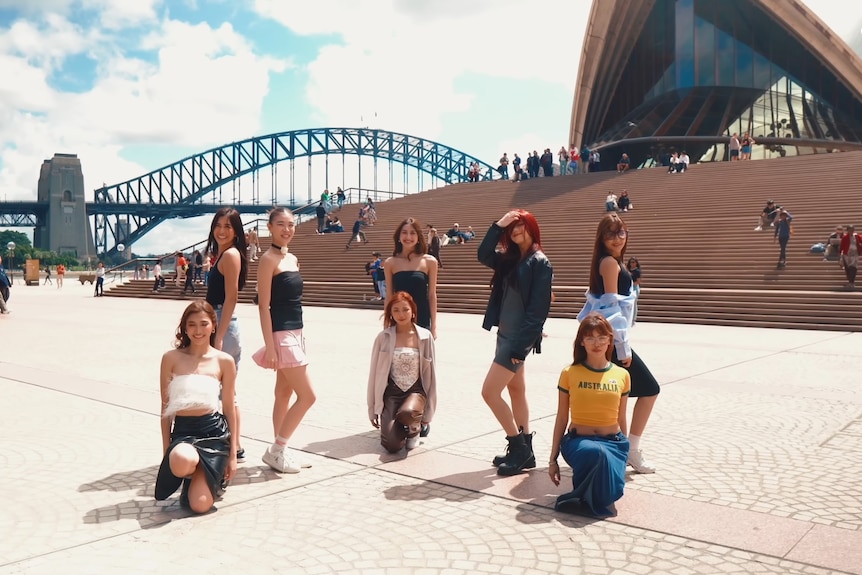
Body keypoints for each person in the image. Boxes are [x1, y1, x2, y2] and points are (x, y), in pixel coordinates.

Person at [578, 213, 659, 474]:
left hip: (607, 342)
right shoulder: (610, 264)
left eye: (621, 232)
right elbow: (610, 311)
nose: (617, 238)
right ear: (601, 238)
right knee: (648, 389)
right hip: (612, 344)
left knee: (617, 398)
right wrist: (623, 349)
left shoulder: (608, 262)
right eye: (611, 233)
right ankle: (629, 451)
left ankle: (623, 451)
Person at [477, 209, 553, 476]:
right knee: (516, 391)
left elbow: (537, 311)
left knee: (489, 392)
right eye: (513, 227)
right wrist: (499, 225)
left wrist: (521, 349)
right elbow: (483, 254)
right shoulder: (509, 260)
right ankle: (527, 451)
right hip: (504, 335)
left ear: (532, 227)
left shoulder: (540, 262)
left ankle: (518, 447)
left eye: (521, 225)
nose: (516, 230)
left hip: (516, 341)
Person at [155, 300, 238, 513]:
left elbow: (229, 408)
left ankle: (203, 479)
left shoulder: (224, 360)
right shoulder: (171, 358)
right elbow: (165, 410)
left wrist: (233, 455)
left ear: (213, 324)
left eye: (203, 324)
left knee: (200, 505)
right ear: (184, 327)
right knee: (181, 460)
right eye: (191, 325)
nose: (198, 330)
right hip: (184, 432)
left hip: (214, 433)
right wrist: (167, 452)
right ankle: (192, 472)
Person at [253, 207, 316, 474]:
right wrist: (270, 345)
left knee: (284, 393)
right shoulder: (268, 259)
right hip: (281, 333)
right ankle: (277, 449)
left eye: (291, 224)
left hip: (296, 332)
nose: (287, 229)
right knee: (308, 396)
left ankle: (282, 451)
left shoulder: (292, 258)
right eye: (281, 224)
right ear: (269, 227)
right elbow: (263, 306)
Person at [548, 313, 630, 518]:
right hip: (579, 442)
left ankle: (585, 498)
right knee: (595, 453)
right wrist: (553, 459)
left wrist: (625, 452)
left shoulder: (622, 375)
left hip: (614, 443)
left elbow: (622, 416)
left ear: (610, 340)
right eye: (590, 337)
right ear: (581, 342)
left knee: (612, 490)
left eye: (602, 337)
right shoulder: (570, 373)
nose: (597, 343)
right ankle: (582, 497)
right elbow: (561, 417)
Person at [367, 291, 437, 453]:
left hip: (416, 391)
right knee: (391, 446)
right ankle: (396, 428)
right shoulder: (383, 338)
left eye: (405, 309)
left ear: (413, 311)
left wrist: (428, 413)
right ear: (390, 313)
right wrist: (373, 409)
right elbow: (374, 375)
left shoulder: (425, 337)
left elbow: (432, 376)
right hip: (392, 393)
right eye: (396, 310)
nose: (401, 314)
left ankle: (414, 431)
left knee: (408, 412)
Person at [205, 207, 249, 462]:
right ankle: (233, 442)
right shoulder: (223, 254)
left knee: (227, 392)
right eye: (218, 225)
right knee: (223, 390)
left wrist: (218, 336)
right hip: (217, 321)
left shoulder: (231, 255)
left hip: (223, 324)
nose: (222, 231)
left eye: (228, 226)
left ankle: (236, 445)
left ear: (236, 231)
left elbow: (231, 298)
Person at [385, 218, 438, 339]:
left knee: (423, 357)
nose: (408, 236)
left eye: (413, 233)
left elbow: (431, 295)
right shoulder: (390, 263)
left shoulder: (429, 261)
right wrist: (387, 323)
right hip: (399, 319)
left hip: (422, 319)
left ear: (419, 237)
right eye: (404, 232)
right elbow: (389, 296)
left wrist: (434, 326)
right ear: (398, 236)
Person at [839, 224, 862, 290]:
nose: (851, 231)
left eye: (852, 230)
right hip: (846, 255)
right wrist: (840, 255)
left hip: (855, 255)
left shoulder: (857, 236)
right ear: (847, 231)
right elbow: (841, 247)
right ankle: (850, 282)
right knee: (848, 269)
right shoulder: (845, 237)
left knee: (853, 268)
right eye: (850, 230)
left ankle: (852, 282)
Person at [626, 257, 641, 326]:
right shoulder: (628, 270)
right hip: (628, 288)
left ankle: (633, 319)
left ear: (636, 263)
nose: (632, 264)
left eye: (633, 262)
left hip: (634, 288)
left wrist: (631, 284)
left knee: (634, 303)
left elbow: (638, 281)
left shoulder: (637, 271)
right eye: (631, 262)